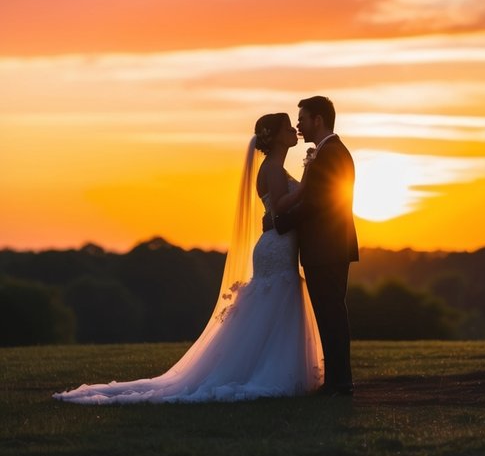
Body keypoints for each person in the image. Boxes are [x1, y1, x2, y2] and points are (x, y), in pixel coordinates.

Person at [54, 113, 322, 403]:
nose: (294, 130)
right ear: (276, 136)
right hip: (276, 248)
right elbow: (281, 208)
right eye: (287, 127)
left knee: (272, 307)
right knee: (275, 302)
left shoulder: (274, 167)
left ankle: (265, 367)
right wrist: (307, 183)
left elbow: (275, 213)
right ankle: (265, 373)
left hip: (276, 244)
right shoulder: (272, 168)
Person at [274, 95, 359, 396]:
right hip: (327, 246)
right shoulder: (327, 152)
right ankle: (337, 380)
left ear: (318, 120)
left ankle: (340, 382)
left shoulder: (332, 154)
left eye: (302, 118)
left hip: (327, 247)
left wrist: (278, 223)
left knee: (331, 313)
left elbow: (319, 203)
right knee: (329, 313)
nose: (298, 125)